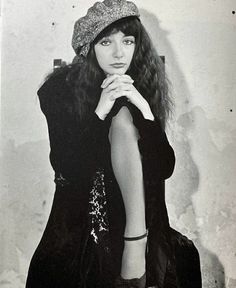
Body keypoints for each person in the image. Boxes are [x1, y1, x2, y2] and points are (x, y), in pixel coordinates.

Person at [26, 0, 202, 287]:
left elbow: (163, 168)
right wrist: (100, 111)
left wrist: (145, 113)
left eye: (128, 41)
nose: (120, 53)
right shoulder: (60, 91)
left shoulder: (141, 85)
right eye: (106, 42)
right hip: (80, 225)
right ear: (89, 47)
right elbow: (67, 168)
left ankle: (136, 246)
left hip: (143, 222)